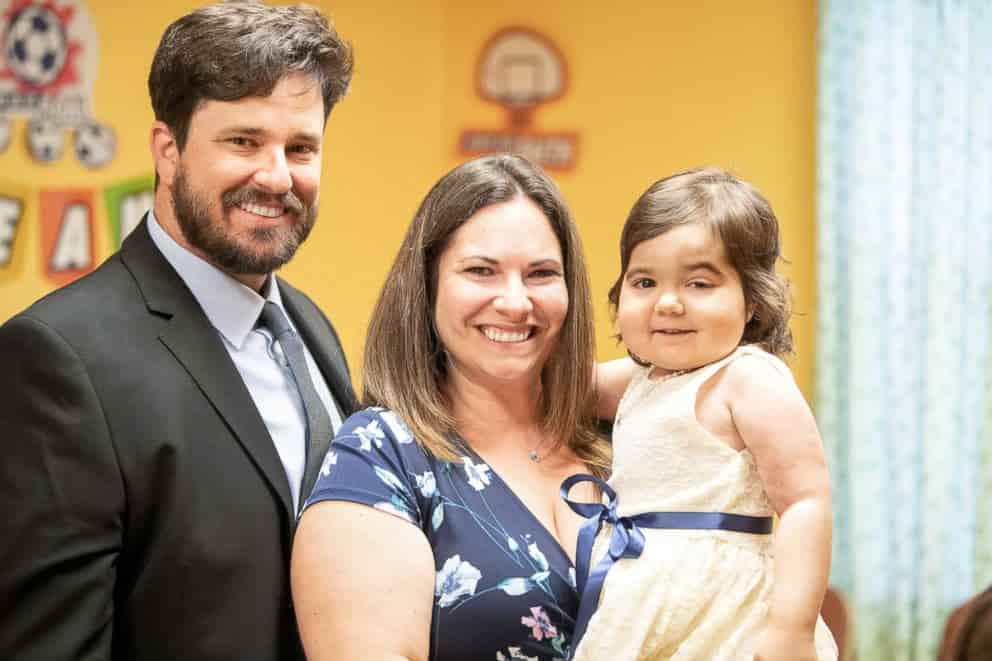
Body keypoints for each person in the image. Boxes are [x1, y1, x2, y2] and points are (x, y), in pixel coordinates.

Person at [0, 3, 357, 659]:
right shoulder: (57, 359)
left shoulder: (311, 327)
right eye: (243, 141)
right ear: (168, 152)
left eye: (300, 147)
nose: (277, 176)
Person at [291, 154, 611, 661]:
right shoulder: (381, 457)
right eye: (481, 271)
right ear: (427, 286)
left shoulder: (617, 441)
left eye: (541, 273)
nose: (515, 301)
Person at [565, 168, 838, 661]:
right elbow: (569, 384)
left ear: (752, 300)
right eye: (644, 281)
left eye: (699, 283)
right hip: (639, 600)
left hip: (721, 610)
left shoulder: (747, 377)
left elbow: (805, 503)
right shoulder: (646, 377)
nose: (668, 303)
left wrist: (790, 628)